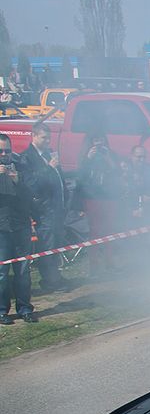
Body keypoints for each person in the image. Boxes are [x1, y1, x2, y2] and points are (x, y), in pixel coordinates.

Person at [19, 121, 69, 292]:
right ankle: (49, 280)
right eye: (44, 138)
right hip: (43, 211)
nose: (48, 141)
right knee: (47, 246)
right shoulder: (27, 157)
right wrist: (48, 168)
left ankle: (55, 276)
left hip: (57, 209)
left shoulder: (48, 155)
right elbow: (32, 184)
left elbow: (59, 179)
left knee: (56, 244)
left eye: (49, 138)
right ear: (34, 136)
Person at [77, 133, 125, 274]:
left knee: (109, 230)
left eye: (101, 139)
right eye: (95, 140)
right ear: (90, 142)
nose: (99, 143)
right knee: (95, 231)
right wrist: (88, 159)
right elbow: (81, 177)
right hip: (92, 197)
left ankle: (110, 262)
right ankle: (94, 265)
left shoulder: (110, 154)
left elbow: (118, 172)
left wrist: (108, 157)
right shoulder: (86, 156)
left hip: (109, 197)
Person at [0, 134, 35, 323]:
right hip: (1, 229)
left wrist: (17, 181)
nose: (4, 155)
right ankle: (2, 311)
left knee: (23, 271)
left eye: (7, 150)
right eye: (0, 151)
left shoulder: (20, 166)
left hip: (21, 226)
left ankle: (24, 308)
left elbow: (31, 196)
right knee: (2, 274)